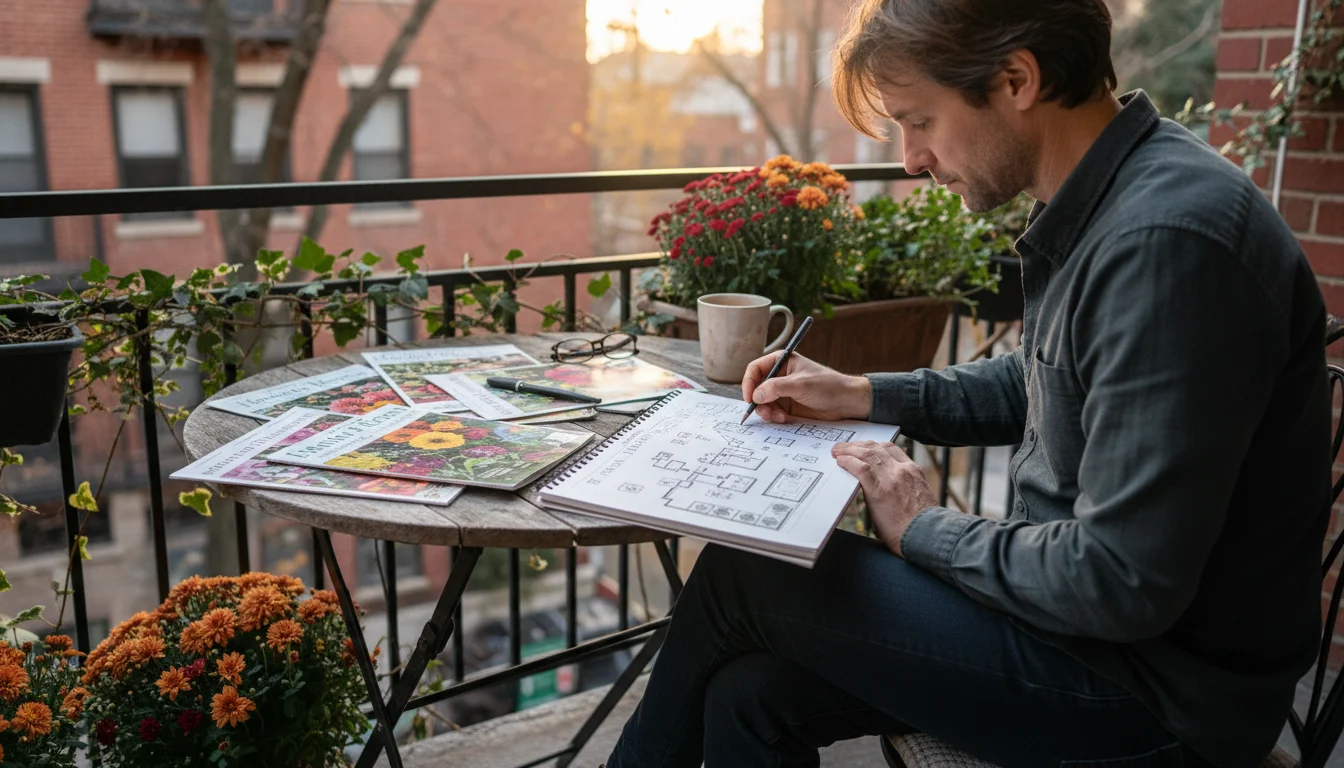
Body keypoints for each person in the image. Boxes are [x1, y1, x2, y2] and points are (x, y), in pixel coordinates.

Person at [602, 0, 1332, 766]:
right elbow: (1044, 380)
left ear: (1016, 77)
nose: (911, 158)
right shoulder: (1119, 197)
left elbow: (1121, 581)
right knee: (748, 694)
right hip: (1076, 639)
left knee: (743, 572)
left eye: (919, 120)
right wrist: (864, 394)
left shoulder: (1166, 242)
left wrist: (922, 528)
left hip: (1156, 700)